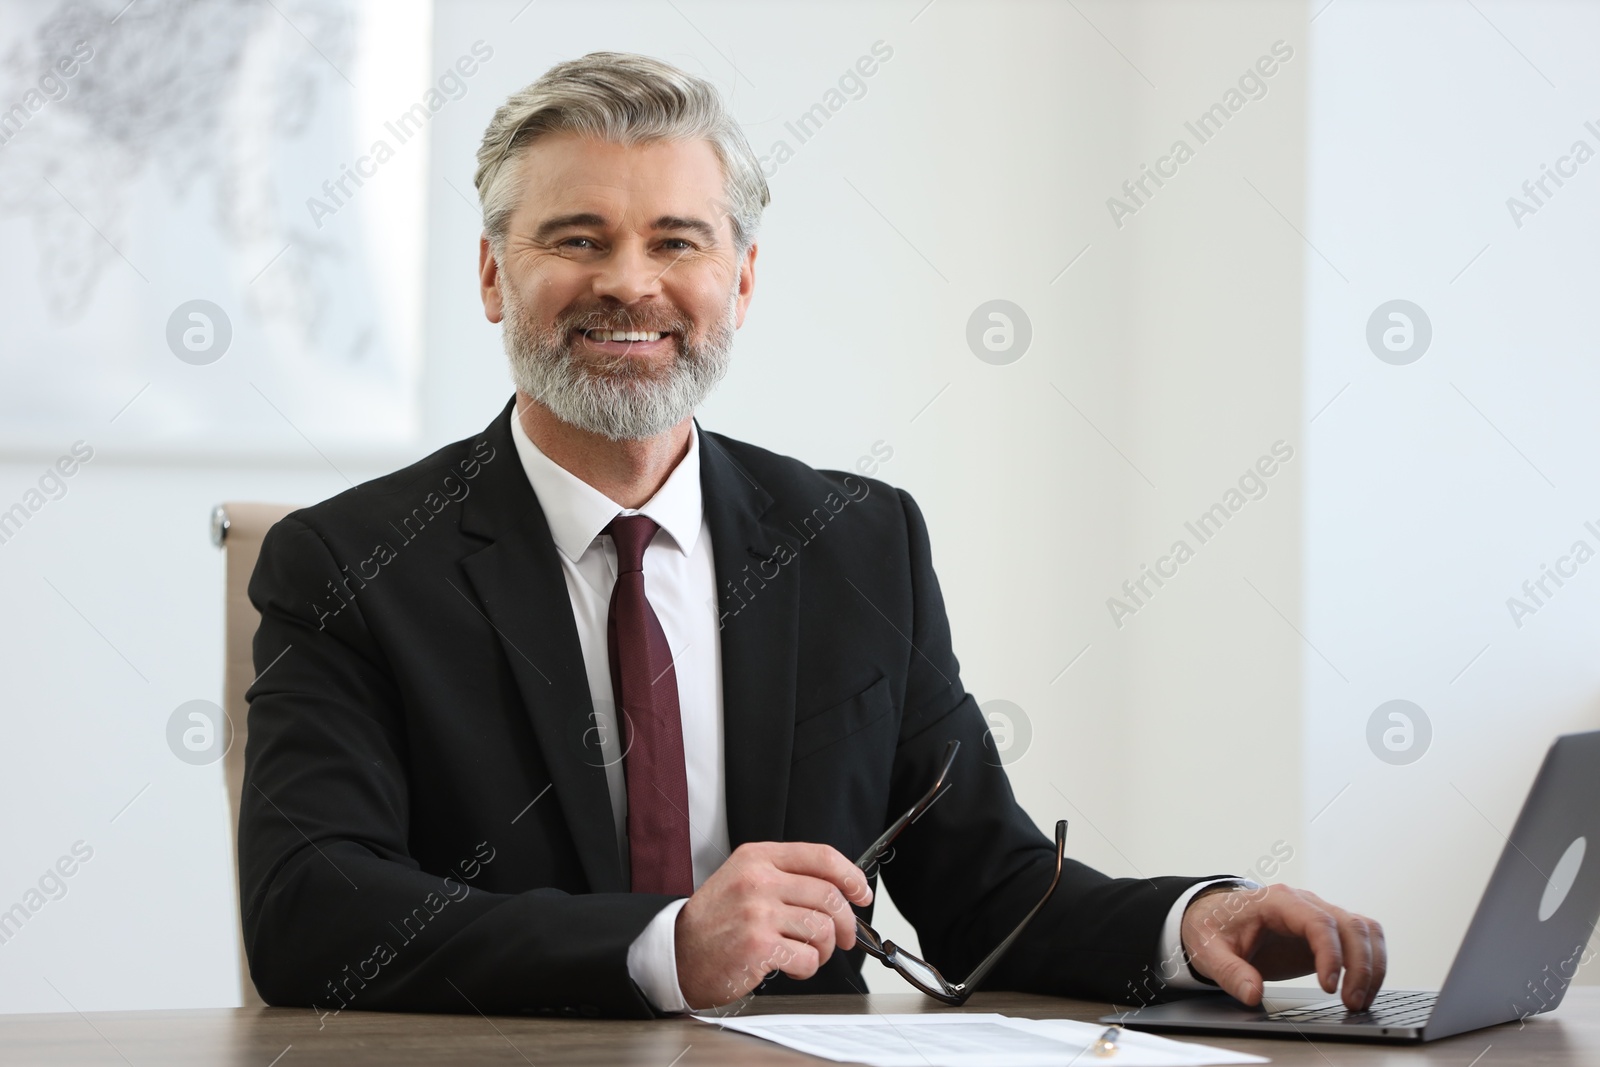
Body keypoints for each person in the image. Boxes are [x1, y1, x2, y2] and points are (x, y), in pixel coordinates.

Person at [239, 51, 1385, 1019]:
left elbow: (987, 887)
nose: (630, 283)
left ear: (741, 278)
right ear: (495, 275)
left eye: (678, 242)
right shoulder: (349, 563)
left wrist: (1199, 922)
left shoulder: (858, 541)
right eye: (577, 239)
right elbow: (311, 906)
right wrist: (663, 945)